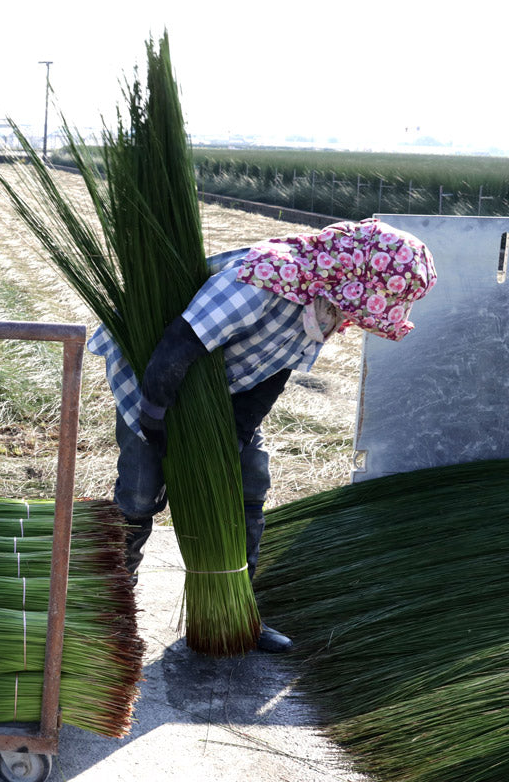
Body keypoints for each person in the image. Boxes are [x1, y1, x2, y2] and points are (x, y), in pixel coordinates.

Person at [88, 218, 437, 653]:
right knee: (142, 490)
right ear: (354, 275)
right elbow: (180, 344)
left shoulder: (326, 301)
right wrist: (155, 420)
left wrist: (235, 436)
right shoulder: (263, 278)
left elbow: (275, 373)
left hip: (222, 390)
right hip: (150, 375)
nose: (357, 316)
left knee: (250, 478)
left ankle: (237, 612)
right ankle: (113, 611)